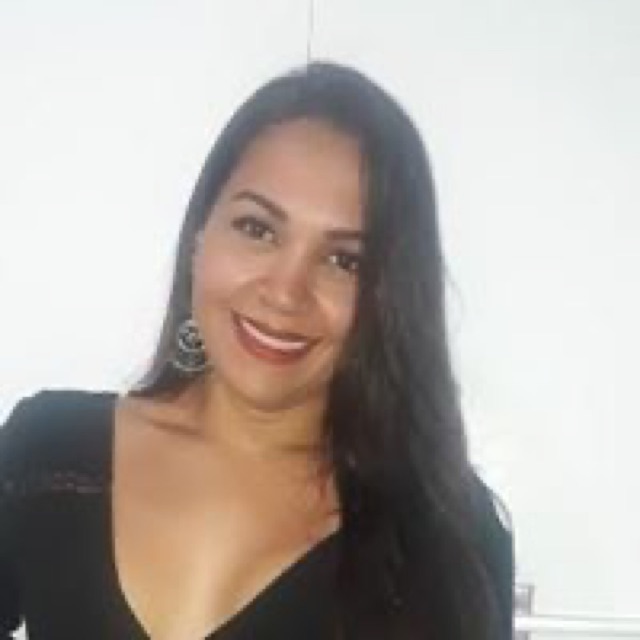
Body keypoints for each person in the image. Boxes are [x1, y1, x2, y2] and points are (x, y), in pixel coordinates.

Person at [0, 62, 514, 640]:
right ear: (200, 234)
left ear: (387, 297)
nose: (285, 293)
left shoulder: (450, 538)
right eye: (257, 229)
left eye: (344, 260)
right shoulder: (48, 450)